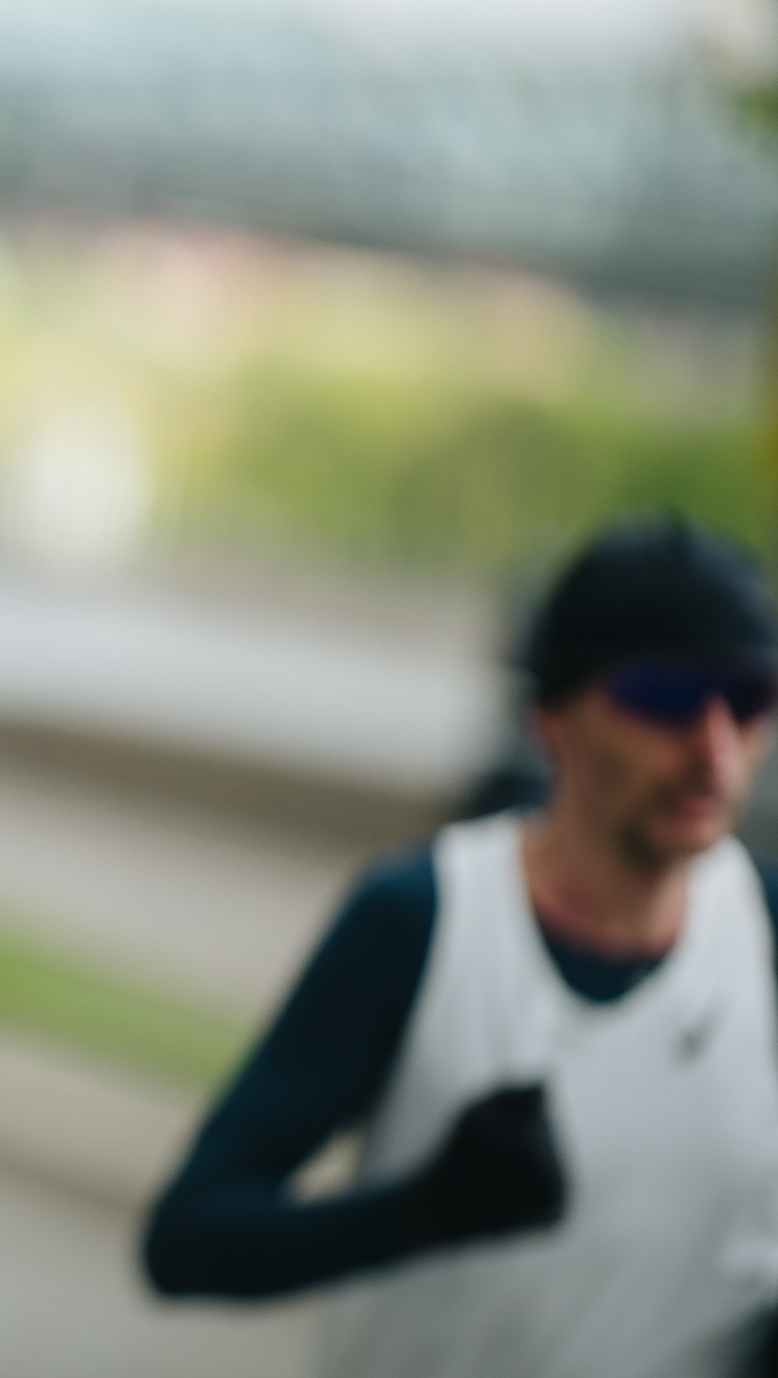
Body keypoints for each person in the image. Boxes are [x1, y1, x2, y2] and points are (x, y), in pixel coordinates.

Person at [143, 515, 778, 1378]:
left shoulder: (765, 933)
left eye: (749, 699)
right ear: (551, 719)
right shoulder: (422, 917)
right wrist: (419, 1213)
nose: (714, 747)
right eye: (666, 697)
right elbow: (186, 1238)